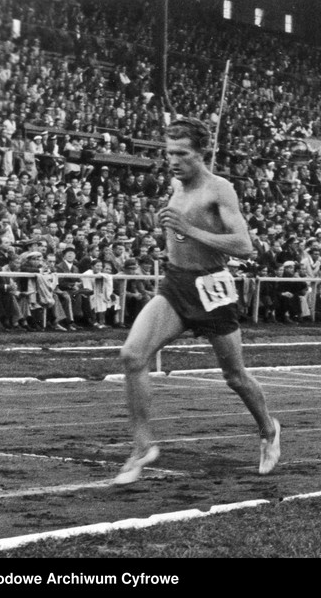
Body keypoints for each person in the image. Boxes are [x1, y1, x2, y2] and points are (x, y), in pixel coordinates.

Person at [114, 117, 280, 485]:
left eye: (182, 154)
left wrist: (190, 230)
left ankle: (268, 429)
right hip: (175, 284)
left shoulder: (219, 189)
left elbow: (244, 246)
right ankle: (143, 447)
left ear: (200, 153)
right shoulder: (175, 183)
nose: (173, 161)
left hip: (211, 289)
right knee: (132, 355)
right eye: (168, 153)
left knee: (234, 376)